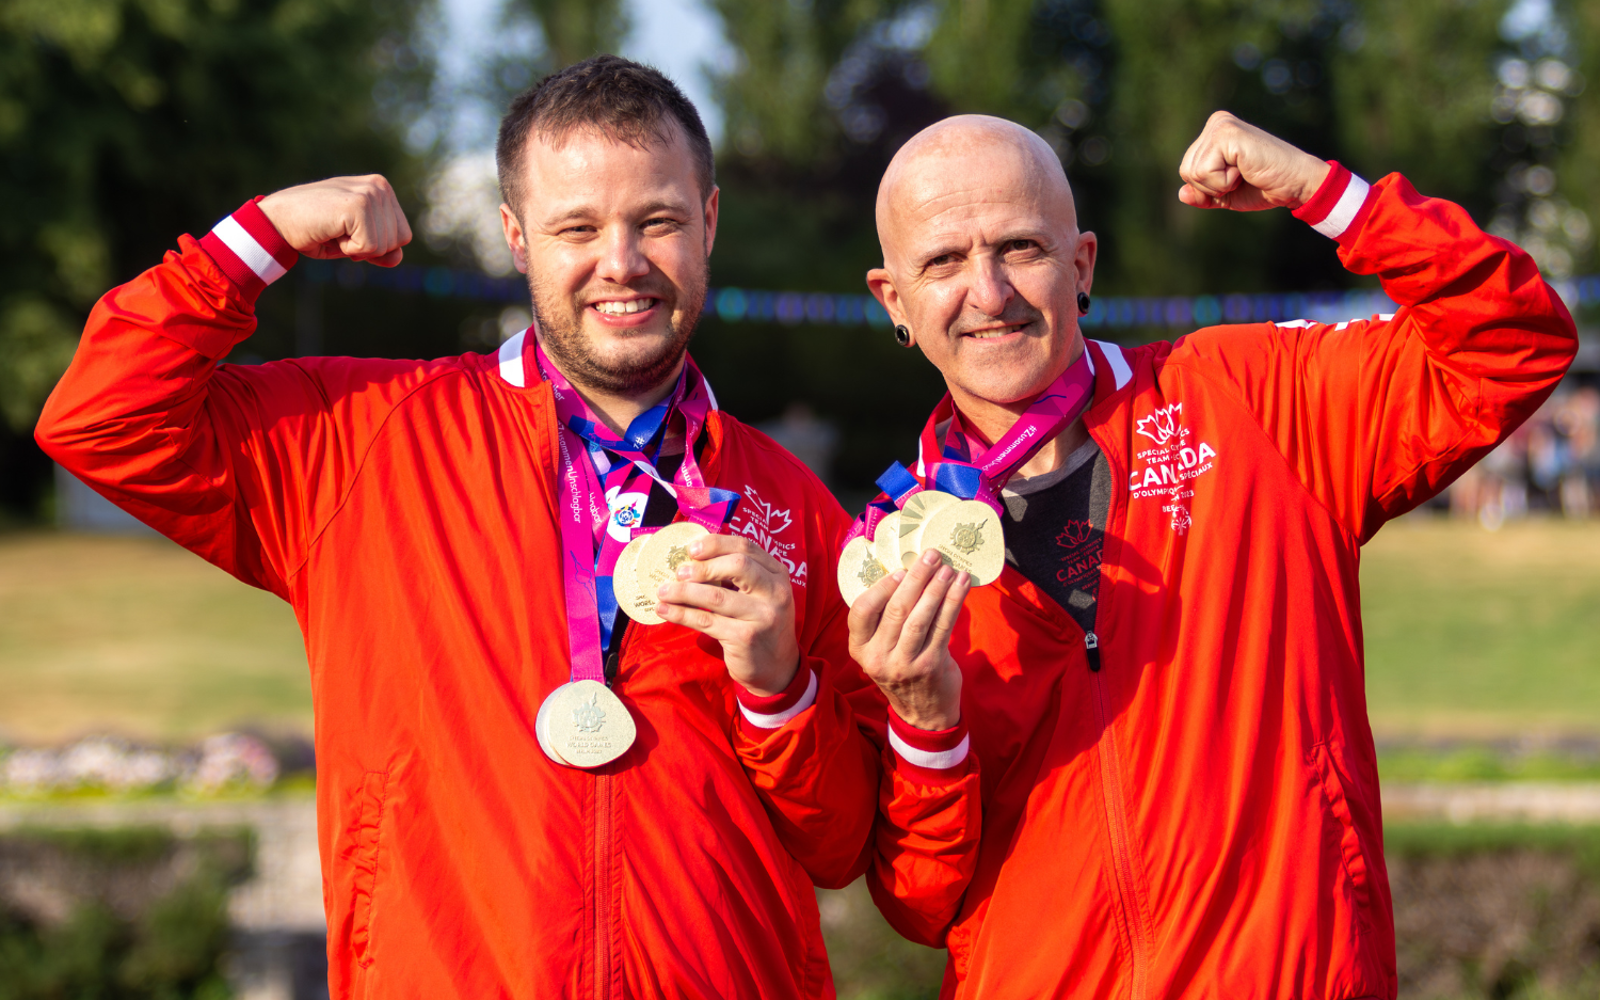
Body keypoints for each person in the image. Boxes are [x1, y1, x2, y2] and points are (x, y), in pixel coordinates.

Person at [35, 56, 880, 999]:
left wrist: (782, 694)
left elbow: (842, 844)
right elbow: (102, 419)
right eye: (577, 228)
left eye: (659, 221)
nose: (623, 262)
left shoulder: (792, 507)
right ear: (516, 237)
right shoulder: (363, 437)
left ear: (710, 221)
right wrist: (261, 235)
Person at [844, 111, 1578, 997]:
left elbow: (1512, 344)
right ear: (894, 300)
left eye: (1020, 247)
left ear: (1081, 266)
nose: (990, 290)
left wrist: (1325, 194)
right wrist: (926, 723)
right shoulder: (887, 559)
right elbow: (921, 904)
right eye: (944, 262)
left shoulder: (1250, 399)